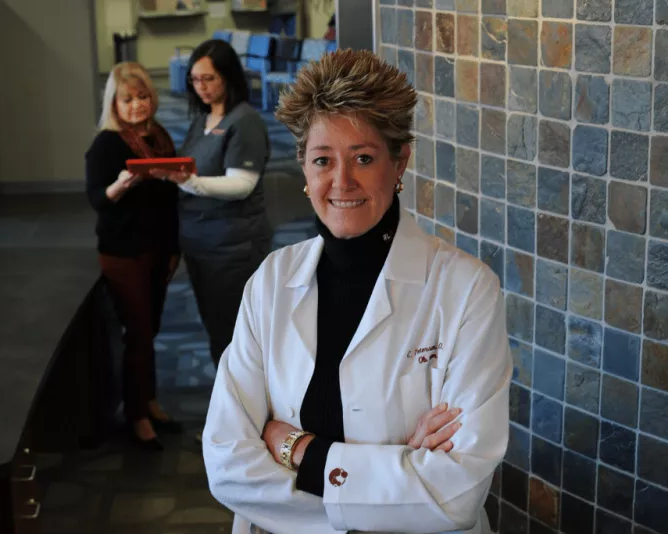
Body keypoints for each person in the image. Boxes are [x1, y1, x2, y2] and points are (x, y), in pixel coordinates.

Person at [201, 49, 512, 534]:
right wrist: (397, 475)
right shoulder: (271, 281)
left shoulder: (466, 290)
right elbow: (226, 462)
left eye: (363, 158)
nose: (341, 182)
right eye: (322, 159)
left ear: (400, 162)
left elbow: (456, 491)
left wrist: (296, 450)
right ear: (304, 169)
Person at [151, 39, 272, 371]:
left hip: (232, 247)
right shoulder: (203, 119)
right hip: (201, 243)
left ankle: (245, 416)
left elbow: (241, 185)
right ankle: (229, 407)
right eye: (195, 79)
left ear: (229, 77)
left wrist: (186, 181)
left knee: (236, 338)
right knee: (217, 330)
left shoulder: (244, 121)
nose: (200, 87)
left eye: (209, 79)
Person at [85, 62, 182, 451]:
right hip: (124, 252)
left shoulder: (159, 136)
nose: (138, 105)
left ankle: (150, 401)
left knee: (151, 331)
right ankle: (137, 416)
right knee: (138, 334)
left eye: (143, 97)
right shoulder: (107, 144)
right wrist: (119, 187)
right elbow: (96, 200)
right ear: (115, 104)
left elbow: (169, 198)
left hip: (159, 249)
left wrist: (174, 248)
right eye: (128, 99)